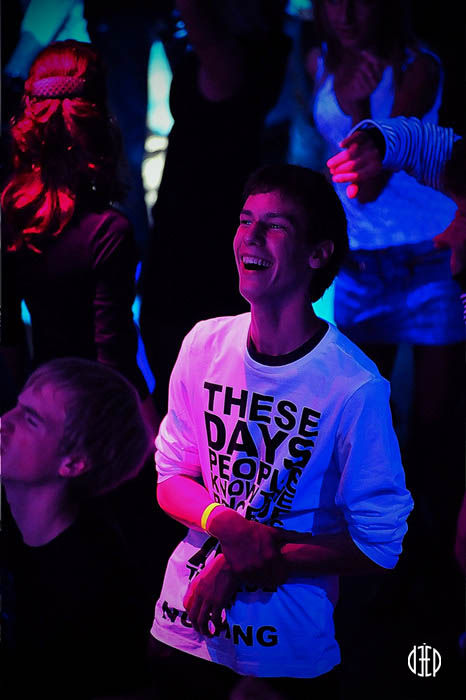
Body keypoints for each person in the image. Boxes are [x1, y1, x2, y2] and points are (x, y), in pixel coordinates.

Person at [149, 164, 414, 697]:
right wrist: (228, 525)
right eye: (245, 220)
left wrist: (245, 559)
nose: (250, 236)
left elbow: (380, 546)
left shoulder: (354, 386)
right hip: (182, 628)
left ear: (318, 253)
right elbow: (170, 477)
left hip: (283, 652)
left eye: (274, 226)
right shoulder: (203, 344)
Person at [139, 0, 291, 415]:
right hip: (204, 228)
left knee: (189, 382)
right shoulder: (259, 49)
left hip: (198, 236)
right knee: (200, 385)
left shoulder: (232, 59)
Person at [1, 39, 157, 425]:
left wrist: (20, 408)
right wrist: (152, 432)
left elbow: (8, 335)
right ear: (100, 119)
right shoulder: (108, 232)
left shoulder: (11, 214)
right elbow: (114, 357)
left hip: (35, 399)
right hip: (92, 416)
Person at [1, 357, 155, 699]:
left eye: (31, 420)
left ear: (73, 463)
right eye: (17, 406)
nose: (4, 422)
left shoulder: (97, 588)